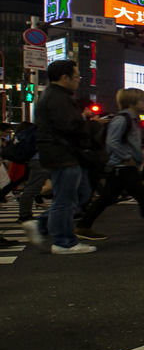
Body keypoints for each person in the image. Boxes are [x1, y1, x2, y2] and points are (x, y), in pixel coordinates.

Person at [75, 88, 144, 240]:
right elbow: (112, 142)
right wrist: (127, 157)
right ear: (132, 102)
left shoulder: (131, 119)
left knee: (109, 197)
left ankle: (84, 225)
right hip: (122, 166)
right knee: (142, 196)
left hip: (123, 166)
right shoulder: (122, 119)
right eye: (142, 100)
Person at [32, 60, 95, 254]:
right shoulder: (58, 98)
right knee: (65, 199)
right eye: (76, 77)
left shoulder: (53, 96)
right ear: (64, 77)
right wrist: (93, 126)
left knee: (78, 194)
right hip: (63, 153)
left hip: (60, 152)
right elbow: (70, 127)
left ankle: (43, 224)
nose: (78, 81)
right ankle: (63, 241)